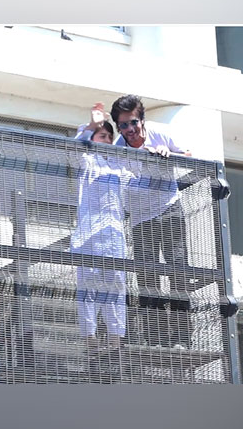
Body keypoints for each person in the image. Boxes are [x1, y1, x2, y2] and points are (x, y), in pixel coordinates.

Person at [109, 94, 192, 349]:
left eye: (133, 123)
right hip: (140, 219)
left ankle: (181, 338)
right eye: (123, 126)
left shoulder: (160, 134)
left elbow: (190, 156)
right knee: (147, 279)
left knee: (178, 272)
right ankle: (156, 340)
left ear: (141, 119)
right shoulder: (117, 147)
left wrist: (169, 155)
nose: (130, 130)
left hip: (168, 209)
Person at [71, 120, 134, 356]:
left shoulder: (118, 165)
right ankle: (90, 336)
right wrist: (90, 125)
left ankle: (116, 337)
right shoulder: (88, 161)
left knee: (116, 286)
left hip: (115, 236)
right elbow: (78, 146)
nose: (107, 140)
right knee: (88, 285)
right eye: (102, 136)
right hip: (89, 236)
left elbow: (134, 174)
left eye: (109, 136)